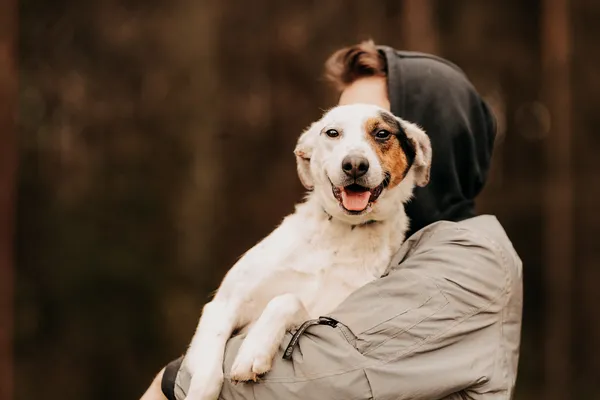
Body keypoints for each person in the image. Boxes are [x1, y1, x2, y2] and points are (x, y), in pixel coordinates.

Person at [141, 40, 523, 400]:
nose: (351, 156)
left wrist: (174, 380)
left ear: (428, 139)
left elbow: (315, 376)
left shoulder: (473, 257)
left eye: (378, 132)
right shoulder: (388, 247)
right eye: (337, 132)